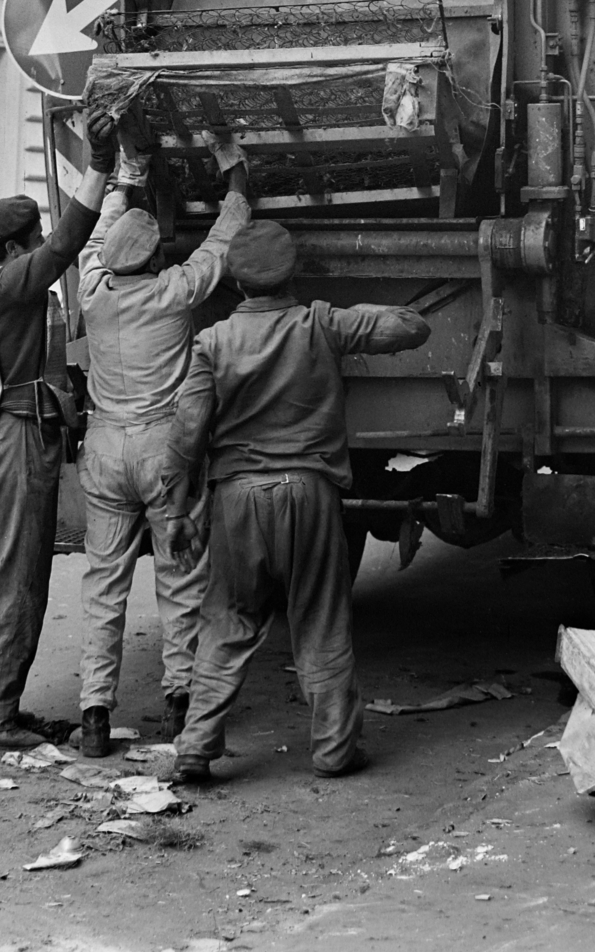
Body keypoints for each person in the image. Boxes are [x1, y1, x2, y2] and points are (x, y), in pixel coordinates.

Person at [163, 222, 431, 784]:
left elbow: (186, 435)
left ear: (235, 281)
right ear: (290, 275)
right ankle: (334, 750)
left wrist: (175, 512)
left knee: (230, 619)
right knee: (320, 622)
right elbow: (409, 328)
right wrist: (362, 318)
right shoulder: (319, 323)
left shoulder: (212, 343)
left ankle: (196, 746)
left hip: (236, 500)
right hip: (310, 496)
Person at [74, 138, 253, 758]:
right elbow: (221, 245)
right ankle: (177, 706)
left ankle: (95, 715)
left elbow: (93, 237)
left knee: (103, 585)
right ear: (155, 257)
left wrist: (124, 180)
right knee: (180, 578)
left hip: (102, 447)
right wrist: (234, 182)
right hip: (162, 450)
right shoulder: (173, 291)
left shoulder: (92, 291)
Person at [0, 111, 117, 749]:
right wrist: (99, 167)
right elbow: (65, 246)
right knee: (10, 586)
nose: (44, 243)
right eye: (37, 238)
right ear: (17, 249)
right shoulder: (12, 284)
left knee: (4, 581)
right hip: (9, 447)